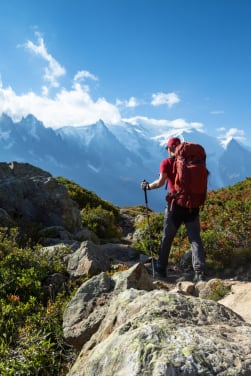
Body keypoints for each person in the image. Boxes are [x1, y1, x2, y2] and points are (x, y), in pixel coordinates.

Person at [141, 137, 206, 282]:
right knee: (195, 239)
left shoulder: (167, 163)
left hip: (175, 206)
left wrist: (147, 186)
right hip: (193, 205)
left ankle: (161, 269)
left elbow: (160, 182)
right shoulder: (193, 161)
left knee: (167, 238)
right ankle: (200, 272)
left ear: (170, 149)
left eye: (167, 148)